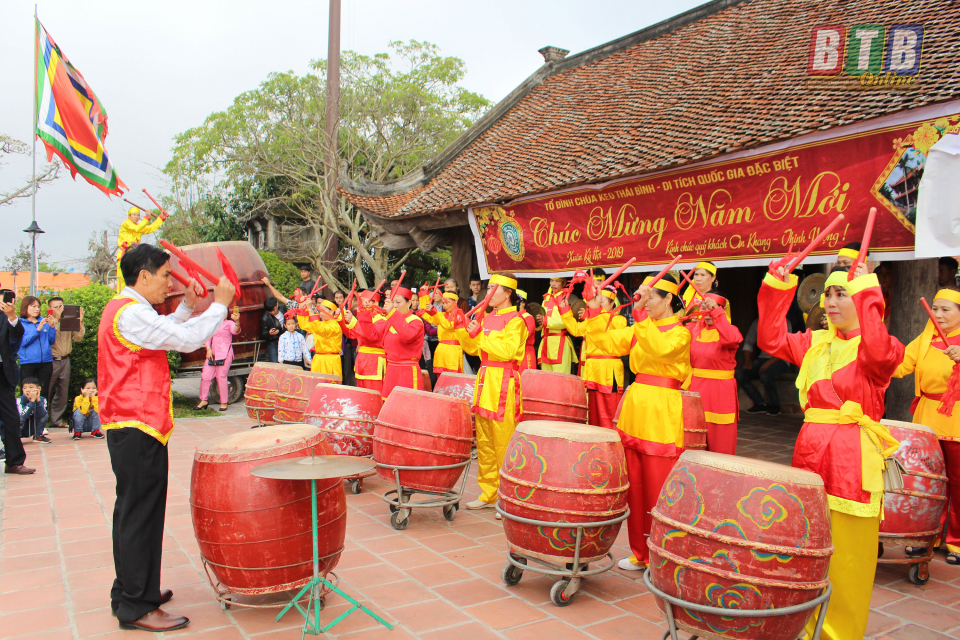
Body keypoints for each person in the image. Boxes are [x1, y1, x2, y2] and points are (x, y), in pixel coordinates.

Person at [758, 262, 901, 640]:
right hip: (810, 451)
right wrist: (778, 286)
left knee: (849, 556)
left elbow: (879, 353)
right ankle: (807, 626)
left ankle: (841, 634)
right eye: (828, 294)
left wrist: (867, 289)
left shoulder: (880, 347)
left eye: (842, 294)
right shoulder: (815, 342)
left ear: (863, 300)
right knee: (808, 545)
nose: (831, 302)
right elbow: (771, 339)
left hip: (852, 457)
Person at [100, 242, 234, 631]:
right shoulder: (131, 313)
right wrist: (220, 306)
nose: (169, 284)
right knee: (141, 514)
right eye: (164, 276)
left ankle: (130, 590)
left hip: (133, 424)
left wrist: (188, 307)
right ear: (143, 276)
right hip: (136, 424)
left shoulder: (129, 309)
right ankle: (137, 606)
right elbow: (185, 340)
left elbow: (167, 331)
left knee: (131, 511)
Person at [588, 274, 690, 571]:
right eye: (642, 297)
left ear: (668, 299)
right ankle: (639, 553)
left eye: (651, 297)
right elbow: (605, 343)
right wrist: (595, 309)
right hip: (635, 408)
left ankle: (663, 556)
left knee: (659, 486)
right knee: (634, 486)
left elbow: (661, 350)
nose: (645, 303)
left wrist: (640, 317)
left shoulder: (681, 333)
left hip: (661, 411)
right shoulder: (642, 328)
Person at [893, 286, 960, 565]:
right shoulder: (925, 338)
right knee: (928, 483)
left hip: (956, 420)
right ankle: (925, 536)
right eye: (935, 308)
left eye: (946, 309)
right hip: (926, 420)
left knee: (958, 484)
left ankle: (956, 541)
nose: (938, 314)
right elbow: (899, 365)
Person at [457, 274, 527, 511]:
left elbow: (507, 351)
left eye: (492, 289)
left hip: (504, 381)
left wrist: (480, 334)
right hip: (485, 379)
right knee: (485, 441)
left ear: (508, 293)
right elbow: (474, 349)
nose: (487, 294)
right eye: (487, 289)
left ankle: (507, 497)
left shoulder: (516, 321)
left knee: (503, 441)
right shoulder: (487, 317)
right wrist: (463, 330)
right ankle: (489, 492)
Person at [560, 285, 627, 429]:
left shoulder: (619, 320)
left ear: (612, 303)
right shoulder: (592, 319)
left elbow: (606, 327)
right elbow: (576, 330)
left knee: (609, 413)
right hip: (593, 371)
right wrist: (566, 312)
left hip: (609, 371)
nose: (598, 305)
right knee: (594, 414)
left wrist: (593, 313)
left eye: (601, 302)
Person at [686, 293, 742, 454]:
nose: (708, 313)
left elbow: (731, 340)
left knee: (721, 444)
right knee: (694, 442)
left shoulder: (731, 330)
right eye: (704, 308)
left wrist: (717, 313)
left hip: (720, 393)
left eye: (711, 309)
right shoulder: (695, 331)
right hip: (697, 390)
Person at [348, 286, 424, 400]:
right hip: (390, 370)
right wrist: (365, 314)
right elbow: (372, 335)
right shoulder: (390, 320)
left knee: (406, 403)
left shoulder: (415, 321)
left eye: (398, 302)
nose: (394, 305)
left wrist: (392, 313)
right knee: (388, 403)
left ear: (409, 302)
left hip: (407, 371)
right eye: (392, 302)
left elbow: (407, 335)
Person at [736, 317, 791, 416]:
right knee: (741, 375)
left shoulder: (784, 321)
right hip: (763, 358)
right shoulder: (758, 322)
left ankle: (775, 406)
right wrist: (747, 360)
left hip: (781, 359)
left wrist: (768, 363)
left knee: (766, 376)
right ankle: (760, 404)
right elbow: (748, 342)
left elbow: (786, 346)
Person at [0, 290, 29, 474]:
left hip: (3, 374)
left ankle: (14, 462)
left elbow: (16, 336)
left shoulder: (5, 316)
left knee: (10, 418)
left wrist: (11, 317)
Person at [47, 297, 85, 429]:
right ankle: (41, 420)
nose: (60, 309)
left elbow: (78, 338)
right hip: (51, 360)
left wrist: (79, 322)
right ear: (50, 309)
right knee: (46, 390)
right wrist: (56, 321)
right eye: (56, 307)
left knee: (62, 392)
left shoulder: (68, 320)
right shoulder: (48, 322)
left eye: (61, 306)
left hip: (65, 360)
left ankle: (56, 420)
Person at [196, 308, 241, 411]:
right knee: (205, 376)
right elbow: (207, 337)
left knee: (221, 377)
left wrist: (237, 321)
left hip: (225, 354)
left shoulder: (229, 323)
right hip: (212, 354)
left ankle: (224, 402)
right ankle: (203, 400)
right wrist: (208, 349)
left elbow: (235, 330)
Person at [115, 207, 165, 290]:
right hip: (125, 254)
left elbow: (150, 228)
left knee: (135, 278)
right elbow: (137, 228)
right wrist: (147, 218)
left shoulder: (138, 226)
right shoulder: (126, 224)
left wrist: (160, 218)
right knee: (123, 278)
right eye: (134, 215)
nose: (136, 217)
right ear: (129, 216)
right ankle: (122, 295)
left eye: (138, 215)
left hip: (134, 254)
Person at [18, 296, 56, 402]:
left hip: (46, 362)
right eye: (33, 306)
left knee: (43, 391)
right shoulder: (20, 324)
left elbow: (51, 340)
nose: (37, 309)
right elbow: (23, 342)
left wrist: (52, 327)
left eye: (38, 306)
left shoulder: (43, 321)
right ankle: (26, 412)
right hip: (28, 362)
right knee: (27, 392)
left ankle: (42, 412)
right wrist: (38, 330)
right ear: (25, 307)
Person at [537, 277, 579, 373]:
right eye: (551, 280)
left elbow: (567, 322)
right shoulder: (546, 299)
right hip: (545, 344)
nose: (553, 283)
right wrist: (538, 322)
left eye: (557, 281)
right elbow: (541, 320)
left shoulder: (567, 299)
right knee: (546, 378)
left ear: (564, 283)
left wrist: (545, 321)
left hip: (561, 343)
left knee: (560, 378)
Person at [297, 298, 343, 380]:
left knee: (329, 385)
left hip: (330, 361)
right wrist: (301, 307)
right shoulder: (321, 323)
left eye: (322, 311)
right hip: (318, 359)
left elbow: (319, 329)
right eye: (320, 311)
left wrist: (310, 310)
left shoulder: (335, 326)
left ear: (332, 311)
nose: (320, 313)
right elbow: (304, 325)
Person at [421, 292, 466, 374]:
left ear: (455, 301)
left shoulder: (459, 315)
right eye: (443, 303)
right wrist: (424, 296)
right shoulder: (443, 315)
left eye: (446, 303)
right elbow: (431, 318)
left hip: (453, 352)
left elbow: (448, 325)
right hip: (441, 351)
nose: (444, 306)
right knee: (440, 377)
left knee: (452, 378)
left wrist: (434, 311)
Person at [18, 378, 50, 443]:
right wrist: (32, 401)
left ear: (39, 389)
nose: (27, 390)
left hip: (32, 428)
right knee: (19, 418)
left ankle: (38, 435)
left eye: (31, 387)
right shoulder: (19, 400)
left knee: (45, 415)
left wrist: (37, 400)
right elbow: (22, 416)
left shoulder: (42, 400)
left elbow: (42, 415)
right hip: (19, 428)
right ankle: (15, 438)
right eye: (25, 388)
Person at [259, 290, 288, 363]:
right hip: (274, 341)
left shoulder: (283, 308)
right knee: (274, 362)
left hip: (286, 339)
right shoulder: (265, 318)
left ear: (277, 305)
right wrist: (269, 333)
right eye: (270, 311)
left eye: (273, 310)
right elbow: (263, 333)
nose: (272, 312)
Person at [516, 290, 538, 372]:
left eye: (517, 301)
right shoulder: (512, 315)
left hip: (526, 351)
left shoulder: (529, 317)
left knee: (525, 376)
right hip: (514, 351)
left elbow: (525, 335)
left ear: (523, 303)